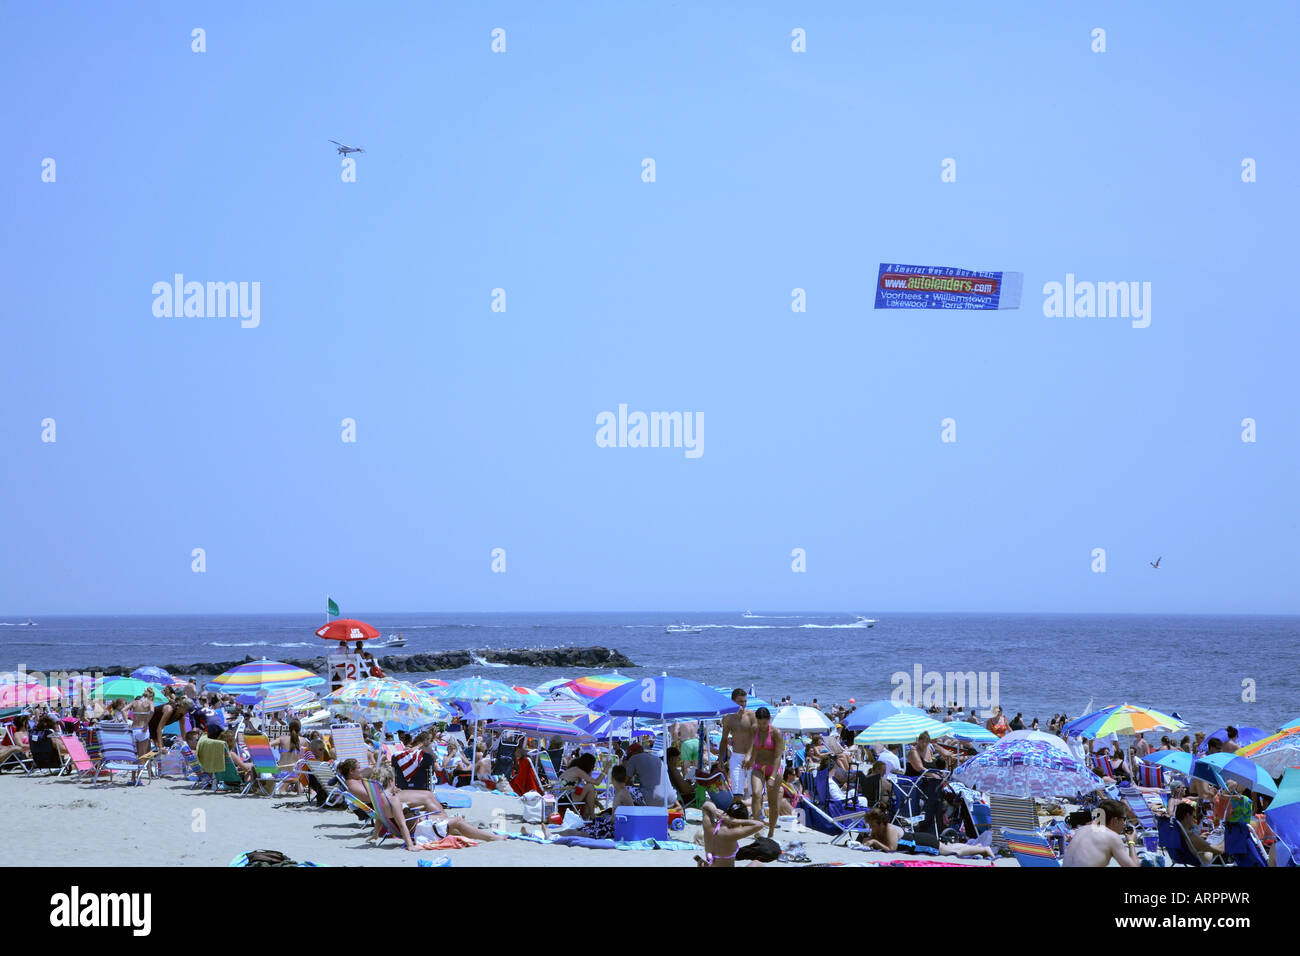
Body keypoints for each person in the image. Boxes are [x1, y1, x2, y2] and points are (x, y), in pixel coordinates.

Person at [336, 759, 503, 850]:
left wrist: (374, 835)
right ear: (391, 781)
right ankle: (492, 837)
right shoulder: (392, 799)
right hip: (419, 829)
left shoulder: (381, 800)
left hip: (417, 825)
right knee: (457, 822)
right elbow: (401, 824)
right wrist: (410, 846)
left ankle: (477, 832)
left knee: (455, 825)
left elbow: (380, 817)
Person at [860, 807, 993, 858]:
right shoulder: (880, 830)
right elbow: (873, 841)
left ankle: (983, 850)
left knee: (952, 852)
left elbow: (891, 849)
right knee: (948, 847)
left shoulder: (889, 829)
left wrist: (875, 842)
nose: (871, 828)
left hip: (922, 842)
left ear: (881, 823)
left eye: (873, 825)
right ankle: (977, 847)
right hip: (920, 839)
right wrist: (868, 841)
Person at [1062, 800, 1140, 867]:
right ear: (1115, 820)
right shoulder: (1112, 837)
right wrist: (1131, 842)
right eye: (1124, 819)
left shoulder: (1082, 830)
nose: (1125, 823)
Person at [748, 707, 785, 839]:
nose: (762, 726)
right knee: (756, 794)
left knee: (772, 802)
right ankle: (757, 828)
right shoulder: (755, 729)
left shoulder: (776, 733)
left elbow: (777, 756)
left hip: (773, 768)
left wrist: (773, 777)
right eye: (760, 723)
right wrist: (750, 759)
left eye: (765, 723)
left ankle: (771, 831)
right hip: (758, 766)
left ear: (769, 720)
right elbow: (755, 747)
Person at [696, 800, 766, 867]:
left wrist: (715, 811)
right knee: (757, 863)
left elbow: (706, 805)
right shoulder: (731, 833)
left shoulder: (709, 826)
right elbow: (760, 824)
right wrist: (735, 821)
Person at [719, 689, 756, 802]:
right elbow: (724, 739)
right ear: (733, 701)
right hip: (736, 756)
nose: (743, 704)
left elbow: (756, 738)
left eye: (745, 701)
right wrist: (720, 758)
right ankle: (739, 816)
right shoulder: (727, 718)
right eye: (740, 701)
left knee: (755, 792)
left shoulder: (751, 715)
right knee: (736, 792)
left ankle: (757, 816)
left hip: (752, 756)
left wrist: (749, 755)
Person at [624, 742, 668, 807]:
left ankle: (626, 812)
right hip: (666, 796)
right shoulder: (656, 758)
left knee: (622, 789)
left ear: (634, 753)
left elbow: (624, 782)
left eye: (629, 756)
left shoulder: (634, 758)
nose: (629, 759)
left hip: (651, 797)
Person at [562, 753, 603, 819]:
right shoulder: (578, 771)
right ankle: (592, 818)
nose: (593, 768)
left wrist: (597, 803)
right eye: (593, 766)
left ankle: (587, 818)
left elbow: (580, 789)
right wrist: (605, 770)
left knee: (588, 791)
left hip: (562, 795)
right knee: (589, 787)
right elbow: (597, 782)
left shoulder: (575, 769)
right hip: (563, 797)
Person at [129, 688, 155, 756]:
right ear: (151, 696)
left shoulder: (134, 702)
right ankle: (141, 766)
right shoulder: (150, 702)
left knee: (133, 755)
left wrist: (126, 722)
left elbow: (123, 710)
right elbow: (152, 711)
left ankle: (133, 766)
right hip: (143, 729)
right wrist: (146, 724)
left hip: (134, 730)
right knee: (142, 756)